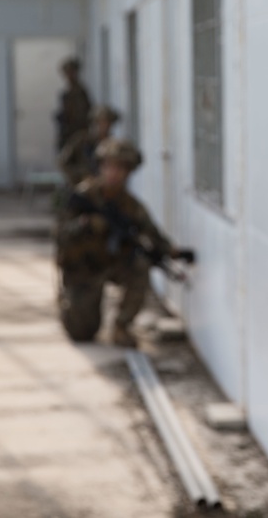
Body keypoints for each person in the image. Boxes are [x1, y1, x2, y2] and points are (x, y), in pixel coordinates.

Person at [55, 138, 194, 348]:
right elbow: (60, 235)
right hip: (82, 268)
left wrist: (172, 252)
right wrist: (87, 225)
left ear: (128, 173)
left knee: (140, 264)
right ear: (100, 167)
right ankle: (73, 304)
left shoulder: (130, 206)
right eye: (109, 166)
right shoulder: (82, 197)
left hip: (111, 263)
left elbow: (152, 234)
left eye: (120, 168)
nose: (113, 173)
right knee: (82, 334)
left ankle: (121, 325)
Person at [57, 104, 121, 187]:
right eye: (100, 122)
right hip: (81, 186)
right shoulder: (82, 140)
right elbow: (63, 162)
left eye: (107, 123)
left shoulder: (113, 145)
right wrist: (80, 176)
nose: (104, 126)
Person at [54, 56, 92, 153]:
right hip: (69, 131)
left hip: (78, 131)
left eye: (71, 72)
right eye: (67, 73)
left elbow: (83, 113)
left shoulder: (79, 92)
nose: (69, 76)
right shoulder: (67, 92)